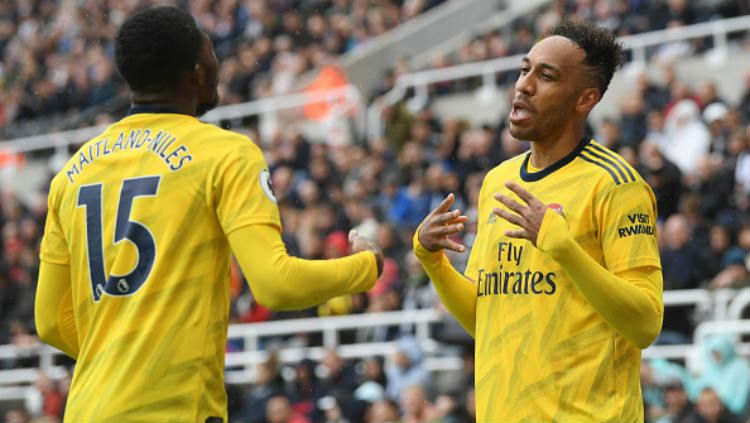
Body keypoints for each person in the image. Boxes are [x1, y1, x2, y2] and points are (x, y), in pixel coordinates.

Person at [33, 7, 383, 423]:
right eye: (213, 53)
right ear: (197, 73)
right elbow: (275, 285)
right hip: (176, 409)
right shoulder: (225, 153)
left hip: (89, 409)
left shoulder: (71, 174)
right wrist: (367, 266)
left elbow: (51, 321)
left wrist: (122, 357)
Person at [414, 20, 663, 421]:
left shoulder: (615, 185)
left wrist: (564, 248)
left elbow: (646, 323)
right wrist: (432, 262)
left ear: (584, 100)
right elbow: (486, 320)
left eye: (546, 76)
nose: (524, 85)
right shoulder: (498, 180)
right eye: (524, 69)